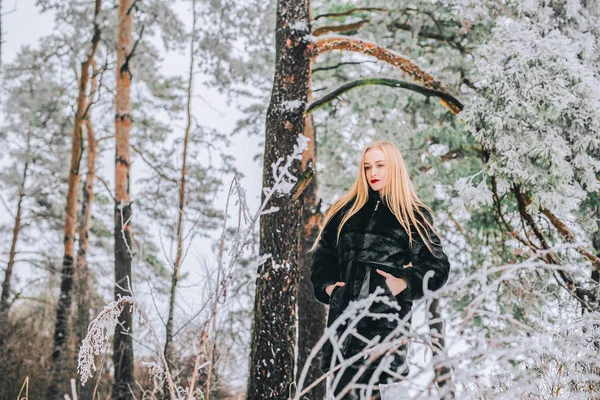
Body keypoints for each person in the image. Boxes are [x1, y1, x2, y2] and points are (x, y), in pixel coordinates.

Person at [308, 140, 451, 399]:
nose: (373, 173)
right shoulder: (345, 210)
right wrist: (329, 288)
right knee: (345, 391)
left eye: (380, 165)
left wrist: (403, 282)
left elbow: (437, 266)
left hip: (383, 321)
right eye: (367, 167)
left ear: (393, 167)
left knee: (361, 390)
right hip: (343, 319)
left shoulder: (412, 214)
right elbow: (323, 256)